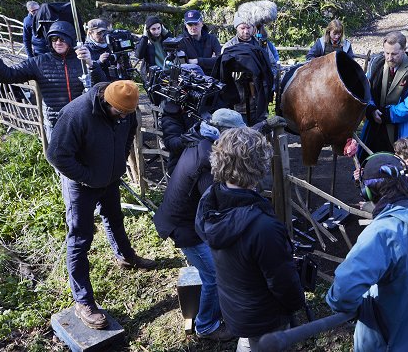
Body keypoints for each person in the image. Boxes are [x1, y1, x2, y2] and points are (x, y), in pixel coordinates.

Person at [45, 80, 156, 330]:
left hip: (109, 178)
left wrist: (117, 164)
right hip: (81, 185)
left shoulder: (126, 110)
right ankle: (83, 301)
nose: (124, 117)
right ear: (107, 102)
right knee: (80, 240)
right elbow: (55, 154)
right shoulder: (76, 114)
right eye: (120, 113)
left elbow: (130, 132)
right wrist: (87, 177)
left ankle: (126, 257)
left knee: (115, 219)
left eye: (128, 113)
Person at [326, 152, 408, 351]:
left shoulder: (383, 232)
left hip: (398, 342)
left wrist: (360, 307)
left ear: (367, 192)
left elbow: (342, 295)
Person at [195, 127, 305, 351]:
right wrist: (297, 303)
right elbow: (282, 281)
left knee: (249, 342)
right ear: (258, 166)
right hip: (263, 316)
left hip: (236, 306)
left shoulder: (210, 202)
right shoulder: (262, 227)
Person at [153, 111, 247, 342]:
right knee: (213, 275)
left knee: (216, 267)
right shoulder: (209, 163)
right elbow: (213, 204)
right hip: (184, 227)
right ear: (224, 135)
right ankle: (207, 326)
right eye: (235, 136)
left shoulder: (203, 142)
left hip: (184, 220)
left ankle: (217, 309)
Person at [0, 20, 99, 139]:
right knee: (58, 158)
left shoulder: (83, 59)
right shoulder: (39, 62)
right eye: (54, 39)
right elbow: (7, 75)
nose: (58, 42)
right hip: (56, 124)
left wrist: (91, 64)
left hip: (83, 121)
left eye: (62, 39)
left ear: (70, 40)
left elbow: (101, 87)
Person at [359, 31, 408, 159]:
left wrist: (387, 114)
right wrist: (371, 109)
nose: (389, 58)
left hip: (404, 130)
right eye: (386, 53)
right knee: (373, 165)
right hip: (376, 128)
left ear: (404, 50)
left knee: (404, 169)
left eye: (394, 54)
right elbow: (366, 90)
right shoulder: (377, 65)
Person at [177, 10, 221, 75]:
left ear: (202, 23)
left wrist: (197, 61)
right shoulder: (180, 41)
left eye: (196, 24)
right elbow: (183, 65)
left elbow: (220, 60)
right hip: (191, 78)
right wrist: (210, 61)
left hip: (212, 77)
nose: (193, 27)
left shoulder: (212, 39)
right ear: (185, 25)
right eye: (190, 24)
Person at [135, 15, 173, 79]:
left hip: (169, 72)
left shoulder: (165, 38)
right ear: (148, 30)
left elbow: (175, 45)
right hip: (154, 74)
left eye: (159, 28)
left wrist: (166, 33)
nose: (157, 31)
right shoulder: (145, 41)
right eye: (153, 29)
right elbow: (139, 55)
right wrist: (145, 37)